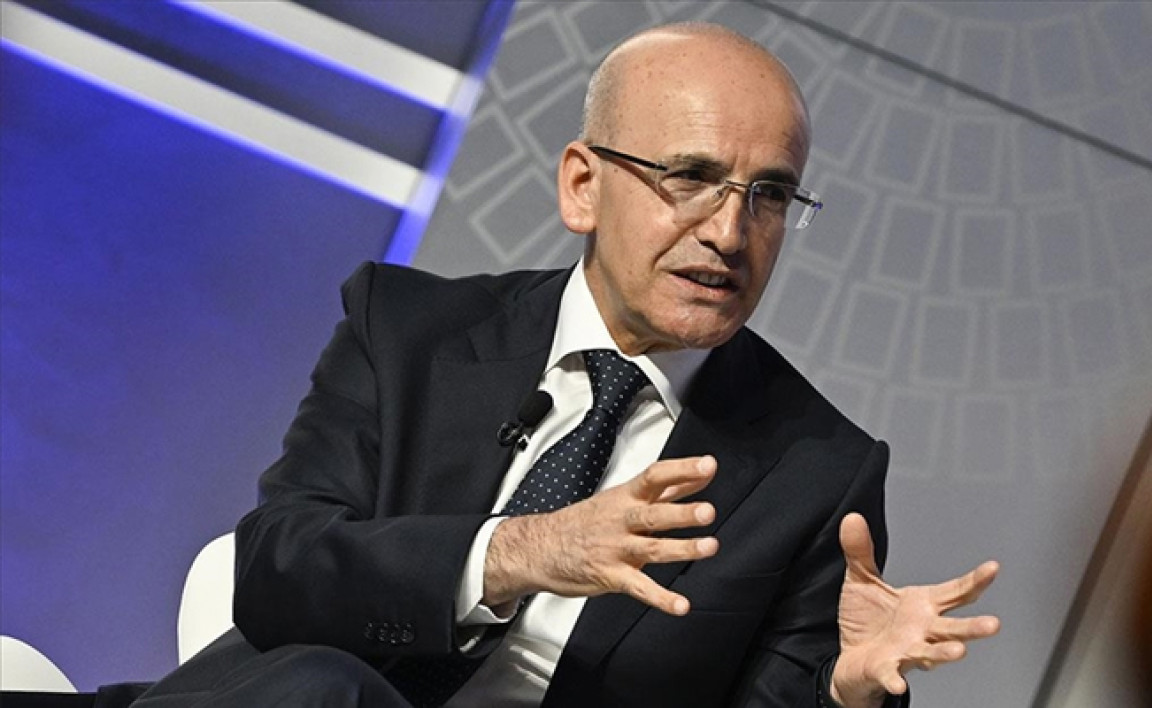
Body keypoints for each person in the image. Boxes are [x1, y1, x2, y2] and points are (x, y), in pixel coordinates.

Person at [134, 22, 999, 708]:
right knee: (325, 687)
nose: (729, 233)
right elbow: (279, 570)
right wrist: (516, 553)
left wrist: (842, 694)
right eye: (690, 177)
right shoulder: (407, 330)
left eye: (768, 195)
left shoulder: (817, 472)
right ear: (583, 186)